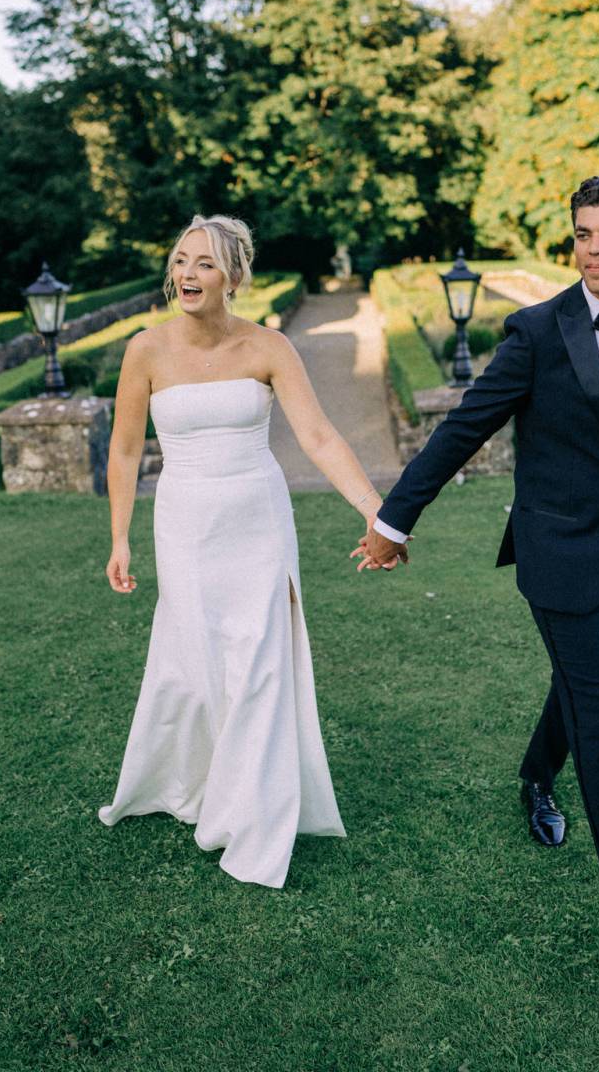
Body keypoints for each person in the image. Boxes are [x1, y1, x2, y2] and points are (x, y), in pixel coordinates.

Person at [356, 174, 599, 983]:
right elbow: (464, 428)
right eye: (583, 233)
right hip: (558, 554)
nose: (593, 248)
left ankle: (531, 776)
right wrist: (392, 521)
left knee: (585, 686)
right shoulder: (538, 330)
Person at [100, 213, 389, 887]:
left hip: (257, 522)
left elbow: (318, 437)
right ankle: (194, 779)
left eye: (203, 263)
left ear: (234, 274)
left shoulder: (270, 348)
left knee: (258, 663)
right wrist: (120, 537)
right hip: (184, 526)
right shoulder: (146, 350)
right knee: (200, 665)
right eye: (180, 261)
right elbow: (122, 448)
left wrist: (377, 512)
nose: (187, 274)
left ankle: (249, 817)